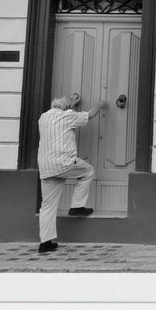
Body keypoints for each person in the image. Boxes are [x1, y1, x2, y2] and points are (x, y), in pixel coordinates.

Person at [36, 92, 101, 253]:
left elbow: (62, 117)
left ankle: (45, 243)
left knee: (47, 205)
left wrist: (70, 105)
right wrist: (101, 104)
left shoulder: (43, 117)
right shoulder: (68, 116)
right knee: (88, 172)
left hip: (46, 167)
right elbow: (90, 115)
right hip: (64, 163)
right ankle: (77, 206)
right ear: (66, 108)